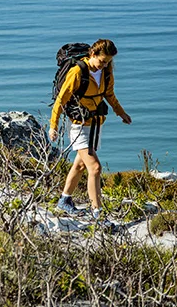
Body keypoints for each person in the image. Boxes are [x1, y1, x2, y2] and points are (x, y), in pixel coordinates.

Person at [49, 38, 132, 224]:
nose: (105, 65)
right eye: (102, 61)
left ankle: (64, 200)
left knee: (80, 165)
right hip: (79, 125)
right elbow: (61, 99)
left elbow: (109, 95)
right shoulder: (78, 71)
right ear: (92, 54)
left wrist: (121, 113)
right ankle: (98, 214)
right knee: (95, 168)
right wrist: (53, 126)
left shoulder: (107, 72)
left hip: (96, 124)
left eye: (108, 62)